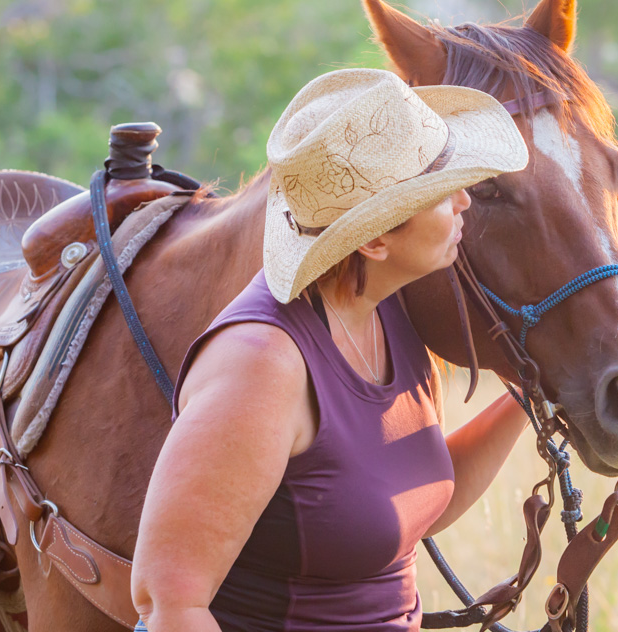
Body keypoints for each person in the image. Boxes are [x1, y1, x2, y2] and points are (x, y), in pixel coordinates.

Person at [131, 68, 533, 631]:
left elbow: (397, 508)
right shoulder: (260, 366)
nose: (465, 201)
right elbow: (168, 601)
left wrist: (525, 398)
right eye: (442, 191)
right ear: (374, 239)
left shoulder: (387, 310)